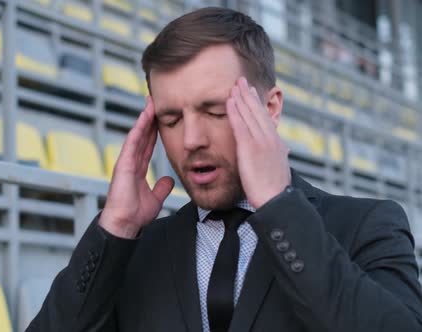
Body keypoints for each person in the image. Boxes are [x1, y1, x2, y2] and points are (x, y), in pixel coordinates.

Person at [26, 7, 422, 332]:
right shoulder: (135, 252)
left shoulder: (367, 226)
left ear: (270, 108)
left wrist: (278, 207)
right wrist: (115, 227)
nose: (191, 139)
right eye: (171, 119)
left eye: (214, 111)